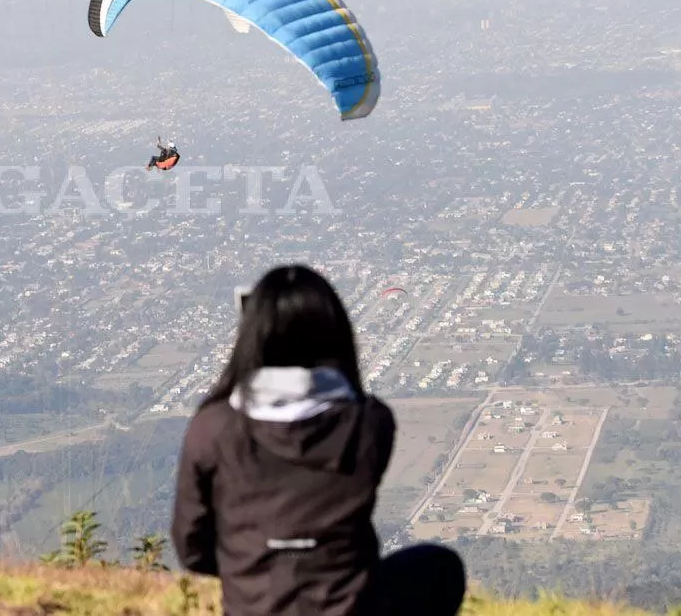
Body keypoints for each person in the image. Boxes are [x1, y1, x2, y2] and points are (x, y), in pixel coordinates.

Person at [171, 264, 466, 616]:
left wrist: (251, 561)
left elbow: (192, 549)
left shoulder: (213, 427)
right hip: (348, 609)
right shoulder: (369, 423)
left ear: (252, 335)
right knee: (439, 566)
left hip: (253, 606)